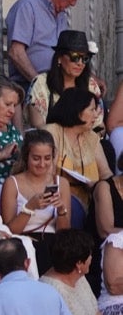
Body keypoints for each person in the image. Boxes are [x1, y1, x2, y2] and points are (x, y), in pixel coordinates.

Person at [0, 129, 71, 271]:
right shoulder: (12, 183)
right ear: (27, 157)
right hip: (22, 245)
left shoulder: (61, 183)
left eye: (47, 158)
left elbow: (64, 233)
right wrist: (30, 207)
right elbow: (11, 230)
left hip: (53, 244)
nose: (42, 164)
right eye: (36, 158)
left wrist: (61, 210)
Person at [5, 0, 86, 88]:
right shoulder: (27, 7)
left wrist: (90, 77)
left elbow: (66, 54)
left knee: (93, 99)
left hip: (59, 81)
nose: (73, 4)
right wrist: (39, 84)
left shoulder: (60, 14)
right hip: (28, 83)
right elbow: (16, 53)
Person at [44, 87, 111, 225]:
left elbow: (106, 174)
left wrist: (99, 187)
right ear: (78, 110)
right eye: (92, 110)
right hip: (58, 198)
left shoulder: (92, 137)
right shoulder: (53, 131)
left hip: (89, 199)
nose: (96, 115)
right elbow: (46, 172)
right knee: (72, 207)